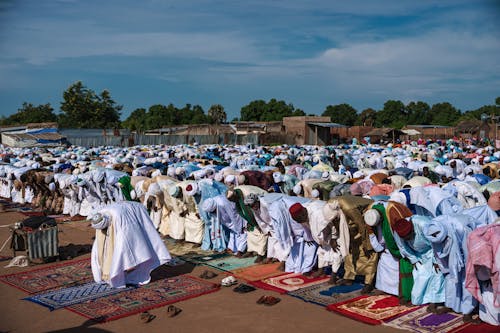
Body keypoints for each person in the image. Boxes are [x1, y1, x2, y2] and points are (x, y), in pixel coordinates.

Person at [90, 201, 171, 288]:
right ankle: (116, 273)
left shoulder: (117, 217)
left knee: (139, 246)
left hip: (136, 213)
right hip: (125, 212)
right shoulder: (101, 213)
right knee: (104, 249)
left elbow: (125, 237)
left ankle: (137, 273)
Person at [393, 216, 446, 311]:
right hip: (417, 255)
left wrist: (436, 260)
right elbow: (402, 247)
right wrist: (413, 260)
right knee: (420, 275)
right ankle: (420, 300)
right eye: (406, 238)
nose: (409, 239)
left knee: (437, 274)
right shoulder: (398, 232)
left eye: (409, 236)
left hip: (432, 251)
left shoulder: (423, 224)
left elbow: (435, 242)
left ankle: (435, 301)